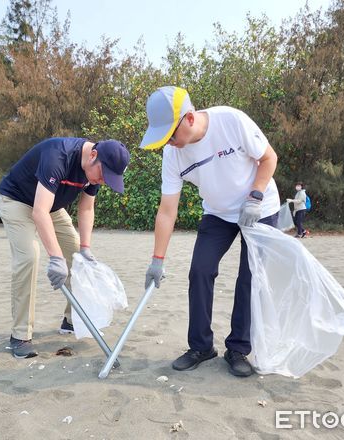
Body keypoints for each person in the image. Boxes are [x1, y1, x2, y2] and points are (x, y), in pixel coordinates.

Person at [140, 86, 280, 377]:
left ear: (189, 118)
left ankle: (239, 349)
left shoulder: (231, 121)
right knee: (200, 271)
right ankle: (201, 346)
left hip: (259, 208)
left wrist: (255, 196)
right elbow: (167, 211)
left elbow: (269, 158)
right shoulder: (172, 154)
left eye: (171, 134)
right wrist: (157, 259)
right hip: (218, 213)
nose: (169, 142)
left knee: (249, 277)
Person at [0, 137, 130, 359]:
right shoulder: (58, 155)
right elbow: (39, 211)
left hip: (51, 206)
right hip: (16, 200)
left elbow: (86, 208)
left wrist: (85, 248)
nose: (103, 181)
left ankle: (71, 319)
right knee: (30, 257)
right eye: (103, 175)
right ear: (93, 156)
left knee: (77, 256)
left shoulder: (95, 169)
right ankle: (20, 336)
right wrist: (56, 258)